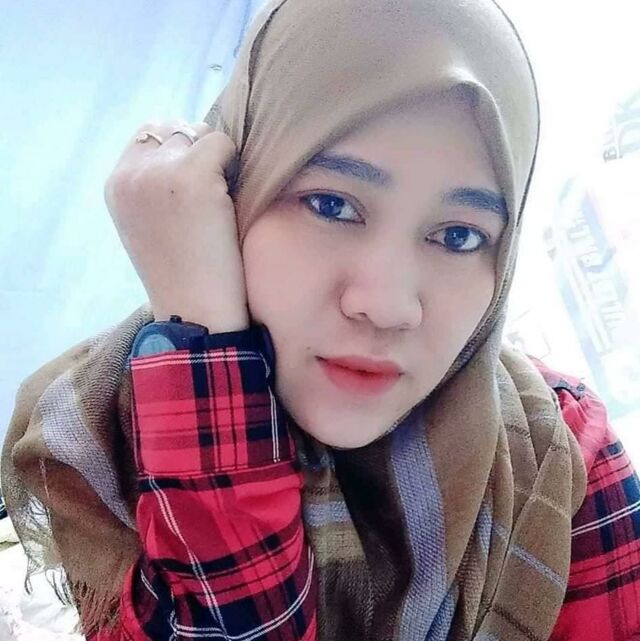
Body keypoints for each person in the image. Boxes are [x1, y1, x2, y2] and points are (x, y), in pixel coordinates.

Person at [2, 1, 639, 640]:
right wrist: (202, 341)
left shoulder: (562, 460)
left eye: (459, 236)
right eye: (331, 204)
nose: (387, 305)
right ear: (234, 192)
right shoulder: (116, 435)